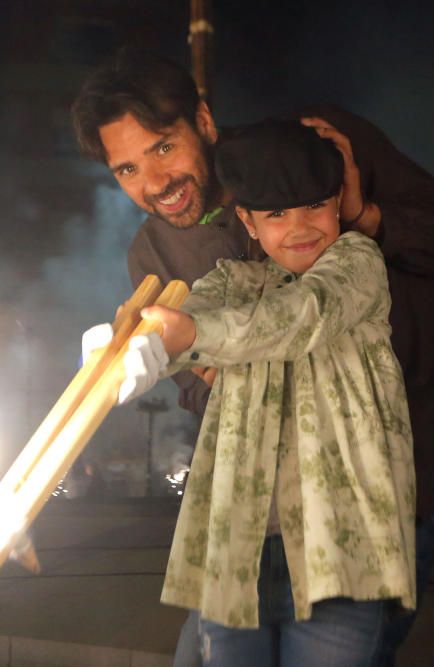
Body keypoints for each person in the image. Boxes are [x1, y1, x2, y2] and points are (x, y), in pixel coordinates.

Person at [71, 48, 434, 665]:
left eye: (163, 147)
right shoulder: (155, 252)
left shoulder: (317, 149)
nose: (154, 183)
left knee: (349, 643)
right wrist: (158, 352)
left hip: (409, 450)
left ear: (205, 123)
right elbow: (202, 354)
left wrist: (357, 214)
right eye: (127, 169)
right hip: (272, 495)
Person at [105, 119, 416, 666]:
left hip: (342, 552)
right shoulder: (232, 281)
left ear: (338, 202)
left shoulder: (357, 264)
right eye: (275, 213)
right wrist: (135, 348)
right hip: (237, 551)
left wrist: (195, 336)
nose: (299, 227)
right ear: (247, 221)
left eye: (314, 206)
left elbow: (301, 316)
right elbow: (185, 319)